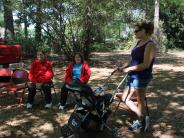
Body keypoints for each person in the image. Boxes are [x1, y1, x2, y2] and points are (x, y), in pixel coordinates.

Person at [116, 21, 156, 132]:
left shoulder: (150, 45)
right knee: (125, 98)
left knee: (140, 101)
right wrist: (123, 67)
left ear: (144, 31)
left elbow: (145, 65)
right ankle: (143, 118)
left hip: (142, 77)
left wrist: (128, 69)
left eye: (137, 30)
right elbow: (132, 60)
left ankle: (141, 122)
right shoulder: (138, 42)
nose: (135, 32)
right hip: (132, 75)